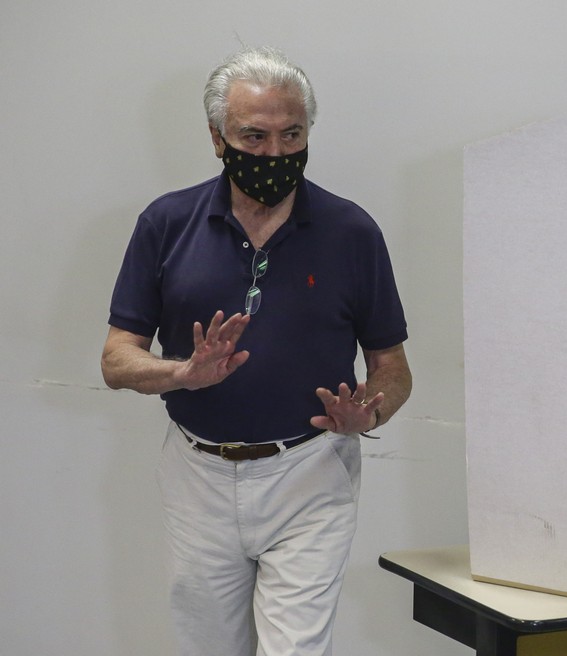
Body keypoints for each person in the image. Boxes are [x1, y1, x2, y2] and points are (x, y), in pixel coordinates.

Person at [101, 46, 411, 656]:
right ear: (218, 138)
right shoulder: (166, 223)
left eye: (291, 134)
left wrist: (369, 413)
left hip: (311, 471)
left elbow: (391, 369)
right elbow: (116, 359)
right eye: (254, 135)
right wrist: (180, 373)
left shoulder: (352, 232)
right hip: (197, 473)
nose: (275, 153)